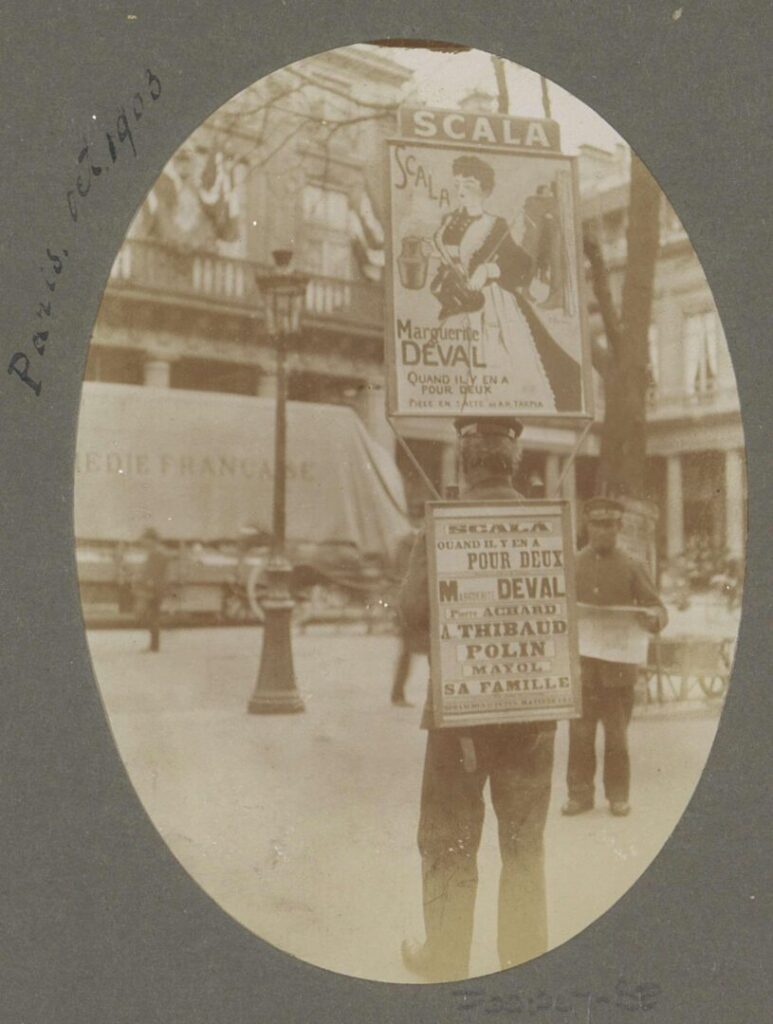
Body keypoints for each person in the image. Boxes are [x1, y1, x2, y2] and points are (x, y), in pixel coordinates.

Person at [399, 416, 556, 982]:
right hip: (534, 715)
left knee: (448, 840)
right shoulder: (547, 524)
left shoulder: (443, 525)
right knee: (523, 844)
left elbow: (413, 614)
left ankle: (445, 959)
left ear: (465, 461)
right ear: (515, 460)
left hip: (460, 716)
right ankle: (523, 959)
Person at [430, 155, 581, 412]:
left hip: (489, 305)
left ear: (485, 189)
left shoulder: (494, 225)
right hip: (454, 300)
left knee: (494, 366)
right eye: (458, 183)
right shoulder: (448, 221)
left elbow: (521, 266)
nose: (461, 189)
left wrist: (489, 270)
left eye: (469, 183)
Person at [562, 497, 668, 818]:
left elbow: (657, 608)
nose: (603, 531)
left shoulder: (633, 565)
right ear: (587, 526)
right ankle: (579, 795)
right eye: (597, 524)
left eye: (610, 525)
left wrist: (652, 618)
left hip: (619, 669)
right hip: (583, 667)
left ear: (619, 527)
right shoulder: (573, 563)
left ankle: (618, 795)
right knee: (579, 734)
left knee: (617, 736)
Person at [138, 528, 170, 653]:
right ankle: (154, 645)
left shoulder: (157, 553)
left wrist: (147, 584)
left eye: (146, 540)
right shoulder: (158, 552)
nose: (144, 542)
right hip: (156, 588)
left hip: (154, 589)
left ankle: (154, 646)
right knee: (153, 616)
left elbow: (154, 573)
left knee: (153, 617)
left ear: (152, 540)